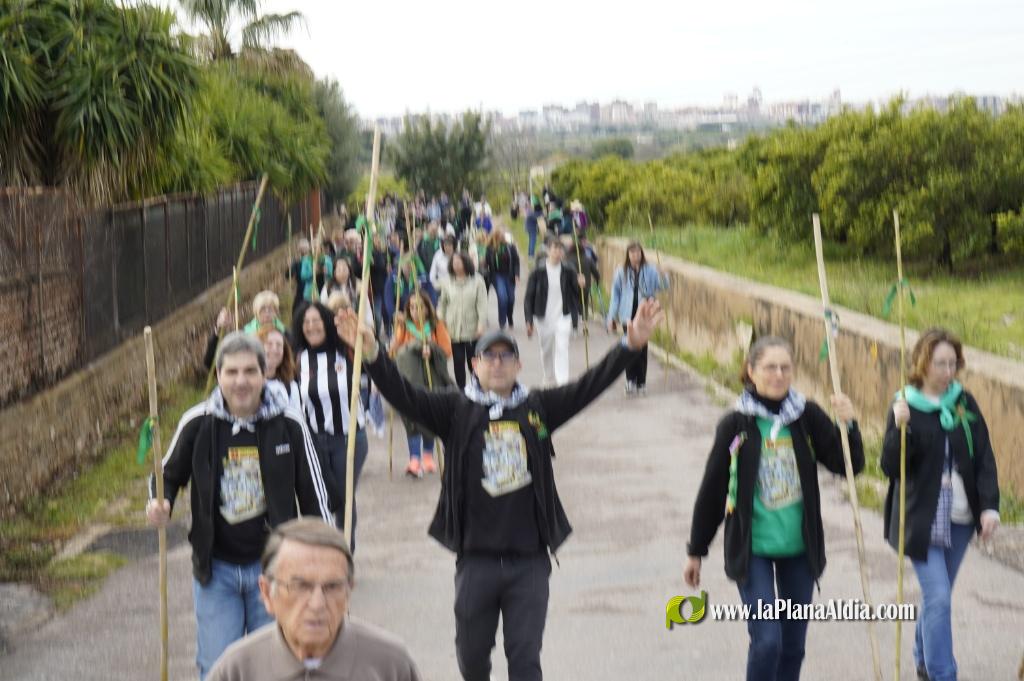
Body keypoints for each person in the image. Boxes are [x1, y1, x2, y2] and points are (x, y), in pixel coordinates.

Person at [334, 297, 663, 681]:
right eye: (488, 356)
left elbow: (587, 387)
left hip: (529, 563)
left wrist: (630, 345)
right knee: (472, 659)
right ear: (474, 365)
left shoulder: (537, 407)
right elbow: (404, 394)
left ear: (519, 365)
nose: (497, 363)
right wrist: (373, 354)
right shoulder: (455, 410)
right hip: (476, 562)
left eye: (506, 356)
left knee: (525, 662)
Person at [145, 332, 333, 680]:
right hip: (216, 572)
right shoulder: (198, 423)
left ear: (264, 374)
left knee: (276, 667)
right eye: (231, 372)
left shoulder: (288, 424)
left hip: (276, 571)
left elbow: (315, 499)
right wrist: (161, 501)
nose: (240, 381)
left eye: (249, 371)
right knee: (218, 667)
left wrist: (329, 559)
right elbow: (165, 475)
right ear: (219, 375)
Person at [684, 335, 863, 681]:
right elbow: (713, 490)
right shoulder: (737, 424)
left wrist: (849, 425)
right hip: (754, 550)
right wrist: (696, 550)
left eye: (785, 367)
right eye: (770, 367)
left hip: (799, 548)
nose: (779, 374)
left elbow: (848, 465)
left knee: (793, 647)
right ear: (751, 371)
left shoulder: (806, 416)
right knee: (767, 642)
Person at [882, 327, 1000, 681]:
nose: (949, 371)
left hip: (961, 517)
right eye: (940, 363)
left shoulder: (963, 402)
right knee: (939, 597)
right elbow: (891, 467)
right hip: (920, 519)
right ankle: (942, 673)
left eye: (953, 363)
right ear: (922, 363)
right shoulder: (905, 404)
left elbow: (983, 456)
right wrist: (899, 429)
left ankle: (922, 656)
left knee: (937, 597)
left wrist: (989, 506)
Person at [207, 518, 422, 681]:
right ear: (266, 593)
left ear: (349, 592)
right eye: (300, 586)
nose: (317, 604)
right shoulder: (237, 670)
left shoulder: (390, 665)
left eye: (332, 587)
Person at [292, 302, 368, 547]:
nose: (311, 326)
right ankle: (323, 548)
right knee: (320, 498)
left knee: (343, 499)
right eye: (306, 322)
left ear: (326, 322)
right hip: (315, 441)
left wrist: (356, 329)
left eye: (316, 320)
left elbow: (373, 361)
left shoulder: (347, 351)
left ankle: (345, 550)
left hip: (348, 438)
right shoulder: (299, 359)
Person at [389, 289, 453, 477]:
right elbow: (394, 353)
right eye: (412, 307)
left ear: (427, 308)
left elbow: (446, 350)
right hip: (410, 380)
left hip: (431, 380)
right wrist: (396, 345)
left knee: (429, 416)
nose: (416, 311)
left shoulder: (436, 326)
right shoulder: (404, 327)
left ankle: (428, 456)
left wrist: (432, 350)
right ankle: (414, 458)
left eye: (420, 307)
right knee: (411, 418)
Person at [607, 241, 668, 395]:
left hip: (644, 316)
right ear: (628, 255)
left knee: (642, 349)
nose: (636, 255)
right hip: (627, 315)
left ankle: (641, 382)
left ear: (642, 253)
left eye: (638, 252)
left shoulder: (650, 270)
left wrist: (663, 275)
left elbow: (663, 286)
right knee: (629, 348)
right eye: (632, 253)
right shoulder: (621, 272)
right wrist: (611, 316)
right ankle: (630, 381)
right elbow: (615, 295)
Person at [524, 236, 584, 387]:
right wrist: (529, 321)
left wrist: (581, 284)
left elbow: (576, 293)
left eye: (560, 249)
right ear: (548, 250)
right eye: (554, 249)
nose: (558, 252)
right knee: (546, 350)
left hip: (563, 316)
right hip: (543, 317)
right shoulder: (537, 271)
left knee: (562, 347)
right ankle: (549, 377)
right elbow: (529, 297)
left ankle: (563, 382)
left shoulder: (569, 270)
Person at [437, 251, 488, 390]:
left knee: (473, 363)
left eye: (458, 262)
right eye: (453, 262)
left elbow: (482, 304)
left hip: (472, 330)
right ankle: (462, 391)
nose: (456, 264)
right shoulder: (447, 282)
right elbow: (443, 303)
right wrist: (440, 321)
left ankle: (477, 388)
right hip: (453, 330)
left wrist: (481, 325)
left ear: (466, 262)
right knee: (458, 363)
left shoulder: (477, 281)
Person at [257, 324, 301, 412]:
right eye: (269, 344)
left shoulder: (291, 387)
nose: (274, 349)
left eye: (279, 345)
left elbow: (296, 418)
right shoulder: (248, 384)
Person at [484, 227, 520, 330]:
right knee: (503, 298)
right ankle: (502, 321)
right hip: (497, 276)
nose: (503, 237)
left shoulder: (510, 247)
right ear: (495, 236)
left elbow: (516, 261)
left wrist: (517, 274)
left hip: (510, 275)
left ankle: (510, 316)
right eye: (500, 235)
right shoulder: (490, 248)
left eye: (503, 235)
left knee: (511, 299)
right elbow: (487, 262)